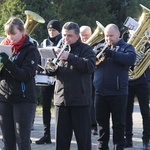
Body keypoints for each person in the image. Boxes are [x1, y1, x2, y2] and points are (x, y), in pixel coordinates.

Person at [45, 21, 96, 150]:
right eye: (64, 35)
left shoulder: (86, 49)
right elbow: (51, 71)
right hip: (61, 101)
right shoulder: (60, 48)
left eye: (69, 36)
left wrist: (69, 57)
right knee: (61, 141)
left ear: (78, 36)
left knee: (83, 141)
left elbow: (89, 66)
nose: (65, 39)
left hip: (80, 102)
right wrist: (50, 67)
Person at [93, 24, 136, 150]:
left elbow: (131, 59)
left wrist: (111, 54)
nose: (108, 38)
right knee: (101, 124)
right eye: (106, 36)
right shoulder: (100, 47)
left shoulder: (127, 47)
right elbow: (91, 62)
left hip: (118, 93)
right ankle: (102, 147)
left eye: (111, 35)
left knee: (118, 124)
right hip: (100, 92)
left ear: (118, 34)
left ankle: (118, 147)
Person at [0, 17, 39, 150]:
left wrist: (8, 63)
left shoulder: (30, 49)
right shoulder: (4, 46)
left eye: (13, 34)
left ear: (23, 32)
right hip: (4, 98)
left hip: (23, 99)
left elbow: (25, 75)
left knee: (22, 141)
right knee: (7, 142)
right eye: (8, 34)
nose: (10, 38)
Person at [35, 20, 62, 144]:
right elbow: (39, 58)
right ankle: (46, 135)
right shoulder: (44, 42)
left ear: (59, 30)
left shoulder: (63, 41)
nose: (51, 32)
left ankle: (61, 134)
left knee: (60, 107)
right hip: (45, 77)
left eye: (54, 30)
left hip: (59, 78)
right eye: (49, 30)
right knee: (46, 107)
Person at [124, 68, 150, 150]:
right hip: (127, 80)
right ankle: (128, 139)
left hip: (143, 80)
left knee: (145, 112)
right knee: (127, 112)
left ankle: (146, 140)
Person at [80, 25, 98, 135]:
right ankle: (87, 124)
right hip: (84, 76)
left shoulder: (97, 45)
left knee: (94, 100)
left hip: (95, 75)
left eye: (86, 35)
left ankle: (95, 125)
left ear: (91, 35)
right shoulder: (79, 46)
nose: (84, 38)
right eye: (82, 36)